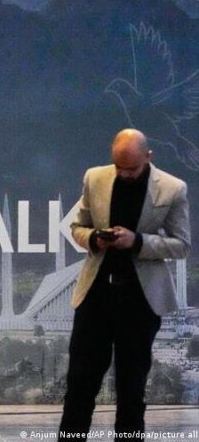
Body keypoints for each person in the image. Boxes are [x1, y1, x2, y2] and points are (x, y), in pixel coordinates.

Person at [59, 129, 191, 441]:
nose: (124, 174)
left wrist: (138, 241)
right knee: (80, 384)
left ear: (148, 157)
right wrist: (94, 238)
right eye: (119, 166)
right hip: (95, 296)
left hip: (141, 300)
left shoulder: (172, 188)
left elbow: (182, 245)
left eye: (131, 168)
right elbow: (76, 226)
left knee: (131, 389)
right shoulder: (94, 178)